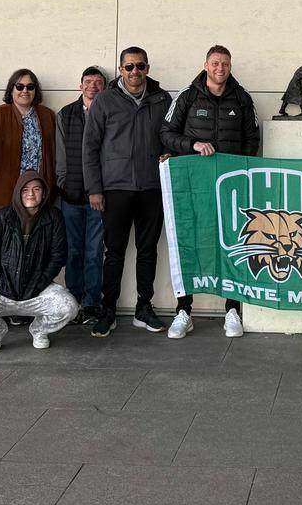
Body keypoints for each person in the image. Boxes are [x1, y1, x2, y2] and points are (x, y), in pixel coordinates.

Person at [162, 44, 260, 339]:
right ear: (206, 65)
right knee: (190, 242)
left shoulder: (242, 98)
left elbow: (252, 139)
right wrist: (192, 146)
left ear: (230, 67)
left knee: (233, 243)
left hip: (230, 187)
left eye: (225, 64)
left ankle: (232, 309)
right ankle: (183, 311)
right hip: (192, 187)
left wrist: (241, 172)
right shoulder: (188, 95)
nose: (220, 68)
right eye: (215, 63)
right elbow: (166, 133)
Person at [85, 46, 172, 338]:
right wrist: (94, 189)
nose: (135, 72)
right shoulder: (105, 101)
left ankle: (143, 308)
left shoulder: (162, 100)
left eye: (140, 66)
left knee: (148, 251)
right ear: (120, 69)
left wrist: (169, 151)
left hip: (151, 188)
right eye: (129, 67)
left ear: (148, 67)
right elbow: (90, 148)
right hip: (115, 189)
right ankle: (107, 310)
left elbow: (171, 136)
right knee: (114, 253)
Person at [0, 172, 79, 352]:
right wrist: (1, 284)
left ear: (44, 193)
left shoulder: (54, 217)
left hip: (37, 291)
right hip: (1, 290)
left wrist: (40, 282)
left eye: (36, 189)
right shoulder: (3, 216)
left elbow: (58, 256)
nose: (31, 194)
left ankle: (39, 331)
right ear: (17, 193)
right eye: (25, 190)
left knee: (69, 307)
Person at [0, 67, 57, 235]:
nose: (25, 91)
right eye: (19, 86)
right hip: (1, 196)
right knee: (1, 251)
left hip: (36, 198)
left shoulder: (48, 116)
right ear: (11, 90)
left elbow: (56, 152)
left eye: (30, 86)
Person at [56, 66, 107, 323]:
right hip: (71, 197)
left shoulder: (110, 112)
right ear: (80, 85)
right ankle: (72, 302)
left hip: (99, 197)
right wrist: (63, 183)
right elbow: (61, 155)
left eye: (98, 82)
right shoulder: (65, 114)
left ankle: (91, 303)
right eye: (88, 81)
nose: (93, 86)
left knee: (95, 252)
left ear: (104, 87)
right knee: (73, 252)